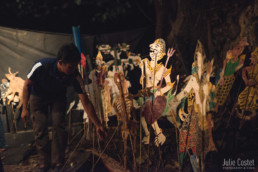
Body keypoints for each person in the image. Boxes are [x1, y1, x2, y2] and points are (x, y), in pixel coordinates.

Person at [21, 43, 107, 171]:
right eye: (71, 67)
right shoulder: (41, 66)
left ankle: (58, 162)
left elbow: (86, 102)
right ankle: (44, 162)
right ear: (61, 62)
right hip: (38, 96)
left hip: (57, 97)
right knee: (40, 128)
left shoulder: (74, 75)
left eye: (76, 66)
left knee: (59, 126)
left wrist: (98, 124)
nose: (74, 70)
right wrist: (24, 108)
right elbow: (26, 85)